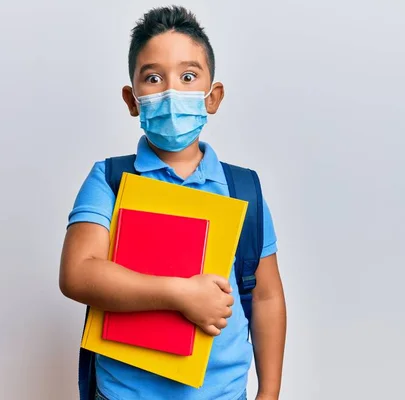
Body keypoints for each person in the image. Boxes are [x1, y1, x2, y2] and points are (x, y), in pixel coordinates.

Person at [59, 6, 286, 400]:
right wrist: (182, 294)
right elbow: (78, 274)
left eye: (187, 76)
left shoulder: (243, 189)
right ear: (132, 100)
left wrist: (269, 393)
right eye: (152, 77)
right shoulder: (109, 181)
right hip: (123, 393)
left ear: (212, 97)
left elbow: (266, 297)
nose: (170, 92)